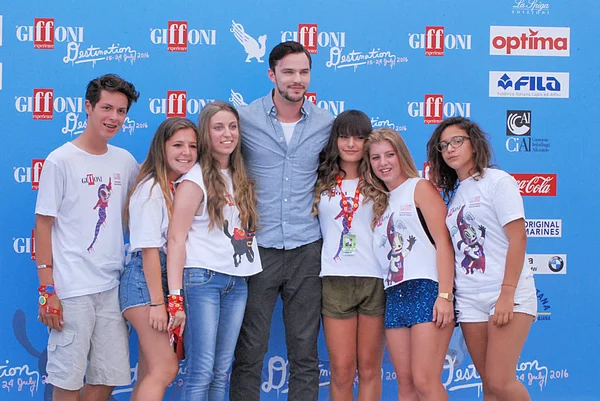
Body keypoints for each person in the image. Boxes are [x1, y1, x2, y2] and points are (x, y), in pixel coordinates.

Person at [230, 41, 334, 401]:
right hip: (256, 249)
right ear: (271, 74)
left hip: (307, 249)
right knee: (249, 352)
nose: (297, 79)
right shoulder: (243, 119)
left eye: (303, 72)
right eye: (288, 72)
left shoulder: (326, 122)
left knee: (304, 353)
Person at [34, 74, 140, 401]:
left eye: (121, 111)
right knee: (66, 382)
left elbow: (143, 206)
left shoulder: (124, 161)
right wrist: (47, 290)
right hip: (71, 290)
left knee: (108, 378)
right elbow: (42, 226)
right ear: (88, 107)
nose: (114, 117)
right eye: (107, 107)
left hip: (111, 288)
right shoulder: (60, 160)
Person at [426, 117, 536, 401]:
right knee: (488, 385)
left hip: (505, 292)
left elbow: (519, 238)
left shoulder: (497, 181)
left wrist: (507, 293)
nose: (450, 149)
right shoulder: (458, 194)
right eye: (443, 145)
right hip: (471, 300)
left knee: (501, 382)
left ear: (474, 144)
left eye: (457, 141)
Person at [166, 101, 262, 401]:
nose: (227, 134)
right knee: (201, 371)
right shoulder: (194, 179)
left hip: (238, 281)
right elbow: (176, 239)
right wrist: (175, 297)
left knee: (221, 372)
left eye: (232, 127)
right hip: (202, 280)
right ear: (205, 134)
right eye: (218, 127)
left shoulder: (239, 176)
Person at [366, 128, 455, 401]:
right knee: (405, 385)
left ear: (401, 155)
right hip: (394, 295)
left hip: (427, 290)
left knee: (425, 381)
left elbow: (444, 242)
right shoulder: (379, 202)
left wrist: (445, 295)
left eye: (389, 154)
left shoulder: (420, 188)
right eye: (376, 157)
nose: (384, 163)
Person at [118, 117, 198, 400]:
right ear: (160, 148)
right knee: (165, 368)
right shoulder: (152, 190)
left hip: (157, 286)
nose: (186, 152)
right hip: (144, 287)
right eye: (177, 145)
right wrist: (157, 303)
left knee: (150, 371)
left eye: (192, 145)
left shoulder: (175, 187)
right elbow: (149, 251)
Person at [313, 110, 385, 401]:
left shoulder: (382, 179)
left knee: (369, 370)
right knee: (342, 370)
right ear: (335, 140)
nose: (352, 144)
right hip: (334, 280)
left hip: (375, 280)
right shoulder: (319, 179)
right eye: (344, 136)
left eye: (359, 137)